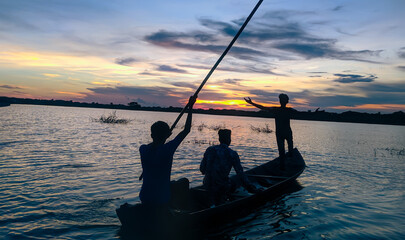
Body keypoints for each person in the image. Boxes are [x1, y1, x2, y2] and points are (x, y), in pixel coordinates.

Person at [139, 96, 196, 207]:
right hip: (161, 198)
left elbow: (154, 146)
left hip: (144, 197)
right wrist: (190, 107)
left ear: (151, 135)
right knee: (184, 182)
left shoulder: (143, 149)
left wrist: (164, 137)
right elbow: (186, 130)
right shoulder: (167, 149)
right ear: (167, 135)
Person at [200, 129, 256, 207]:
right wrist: (251, 187)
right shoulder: (232, 154)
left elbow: (202, 170)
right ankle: (225, 200)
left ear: (219, 139)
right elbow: (240, 174)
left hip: (207, 184)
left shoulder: (209, 150)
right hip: (222, 186)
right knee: (234, 183)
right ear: (229, 140)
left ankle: (214, 202)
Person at [244, 94, 295, 170]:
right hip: (280, 134)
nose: (282, 101)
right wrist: (252, 103)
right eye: (281, 99)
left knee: (289, 152)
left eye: (283, 99)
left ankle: (289, 166)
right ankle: (283, 168)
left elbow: (303, 114)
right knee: (282, 152)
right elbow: (263, 107)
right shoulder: (277, 109)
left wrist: (315, 113)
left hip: (286, 133)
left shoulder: (288, 110)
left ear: (286, 101)